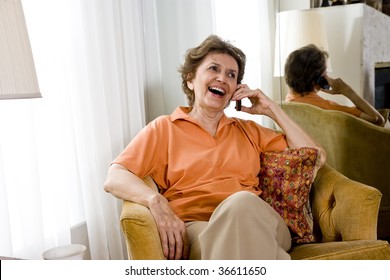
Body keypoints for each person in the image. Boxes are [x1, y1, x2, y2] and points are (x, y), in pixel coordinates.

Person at [104, 35, 326, 260]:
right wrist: (155, 200)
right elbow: (115, 176)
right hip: (199, 226)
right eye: (214, 69)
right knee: (246, 243)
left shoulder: (248, 130)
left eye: (231, 75)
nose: (222, 78)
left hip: (259, 219)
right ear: (190, 79)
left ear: (235, 90)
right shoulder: (164, 128)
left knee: (242, 204)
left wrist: (271, 109)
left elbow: (315, 156)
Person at [284, 44, 387, 127]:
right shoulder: (329, 109)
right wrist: (347, 90)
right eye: (325, 72)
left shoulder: (288, 101)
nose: (327, 76)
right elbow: (378, 120)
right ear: (318, 79)